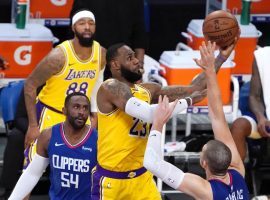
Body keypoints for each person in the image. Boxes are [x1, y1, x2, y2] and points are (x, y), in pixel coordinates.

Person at [91, 39, 237, 199]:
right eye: (129, 58)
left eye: (135, 56)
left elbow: (193, 88)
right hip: (112, 181)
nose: (136, 60)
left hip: (142, 179)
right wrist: (188, 101)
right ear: (115, 65)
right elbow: (148, 113)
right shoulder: (109, 87)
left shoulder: (148, 90)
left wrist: (220, 58)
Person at [144, 41, 249, 200]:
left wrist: (158, 123)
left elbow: (152, 163)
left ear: (203, 163)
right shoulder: (238, 172)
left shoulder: (206, 191)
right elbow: (217, 116)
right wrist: (210, 70)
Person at [23, 9, 105, 169]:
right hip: (51, 114)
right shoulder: (58, 56)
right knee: (32, 169)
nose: (87, 27)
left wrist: (94, 115)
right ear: (73, 28)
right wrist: (33, 126)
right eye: (82, 23)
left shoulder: (101, 53)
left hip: (81, 116)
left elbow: (96, 86)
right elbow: (30, 84)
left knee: (82, 168)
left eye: (91, 23)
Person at [8, 92, 97, 200]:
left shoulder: (98, 139)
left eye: (85, 108)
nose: (81, 112)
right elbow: (32, 174)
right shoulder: (48, 136)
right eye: (76, 107)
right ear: (64, 111)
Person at [70, 0, 146, 66]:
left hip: (123, 63)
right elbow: (76, 26)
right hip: (91, 60)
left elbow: (139, 32)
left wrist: (139, 65)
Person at [231, 46, 270, 161]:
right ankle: (237, 175)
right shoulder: (263, 56)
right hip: (265, 113)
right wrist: (261, 118)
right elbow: (254, 96)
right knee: (238, 126)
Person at [0, 87, 27, 199]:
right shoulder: (31, 86)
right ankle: (9, 188)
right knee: (16, 136)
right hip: (31, 126)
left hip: (56, 128)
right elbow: (19, 117)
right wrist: (34, 131)